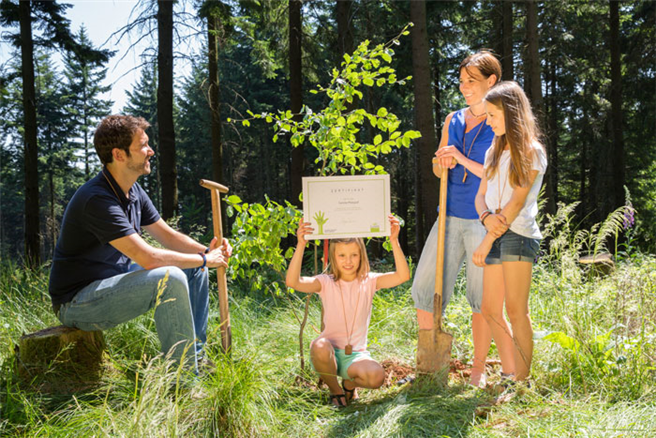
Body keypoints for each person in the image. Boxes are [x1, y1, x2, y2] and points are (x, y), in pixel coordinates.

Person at [48, 115, 231, 372]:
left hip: (113, 282)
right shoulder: (97, 199)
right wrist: (205, 259)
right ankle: (184, 381)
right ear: (119, 155)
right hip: (78, 302)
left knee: (193, 269)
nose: (151, 151)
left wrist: (207, 252)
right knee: (171, 277)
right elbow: (149, 259)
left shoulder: (133, 190)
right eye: (143, 145)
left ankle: (195, 358)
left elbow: (168, 236)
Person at [411, 51, 514, 386]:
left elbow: (497, 172)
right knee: (424, 289)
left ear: (491, 82)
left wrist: (460, 158)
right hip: (449, 217)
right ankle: (430, 368)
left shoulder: (502, 121)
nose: (465, 87)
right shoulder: (453, 120)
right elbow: (437, 166)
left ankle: (478, 371)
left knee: (481, 300)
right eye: (461, 82)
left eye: (472, 81)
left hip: (483, 221)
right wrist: (441, 163)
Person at [286, 215, 410, 407]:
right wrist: (301, 244)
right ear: (334, 258)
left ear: (361, 255)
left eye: (354, 255)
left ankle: (349, 385)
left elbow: (403, 276)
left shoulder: (369, 281)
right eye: (341, 255)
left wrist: (394, 240)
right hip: (328, 353)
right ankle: (337, 393)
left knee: (377, 376)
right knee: (319, 345)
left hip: (355, 356)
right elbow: (293, 282)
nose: (348, 261)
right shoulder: (326, 282)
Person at [472, 81, 547, 383]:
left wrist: (488, 237)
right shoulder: (493, 150)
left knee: (516, 311)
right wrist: (485, 217)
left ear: (512, 113)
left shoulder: (532, 151)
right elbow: (480, 195)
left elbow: (516, 202)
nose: (488, 122)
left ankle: (522, 383)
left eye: (492, 115)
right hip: (494, 231)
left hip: (517, 234)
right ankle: (512, 372)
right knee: (490, 309)